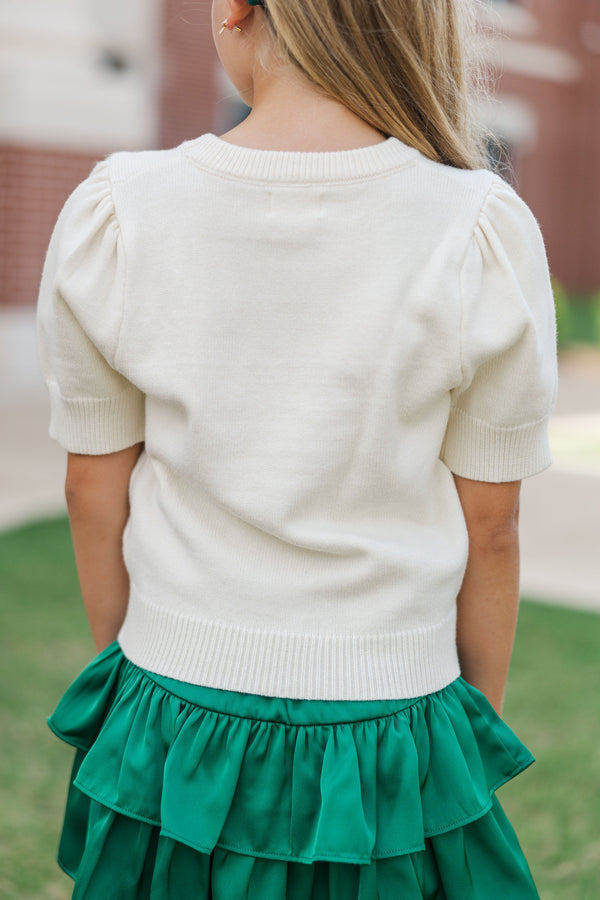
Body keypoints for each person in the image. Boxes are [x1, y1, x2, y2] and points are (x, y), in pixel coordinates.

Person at [36, 0, 558, 896]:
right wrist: (464, 724)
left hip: (171, 703)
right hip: (395, 718)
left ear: (234, 9)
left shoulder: (118, 210)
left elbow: (95, 485)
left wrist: (136, 662)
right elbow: (494, 524)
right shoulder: (479, 226)